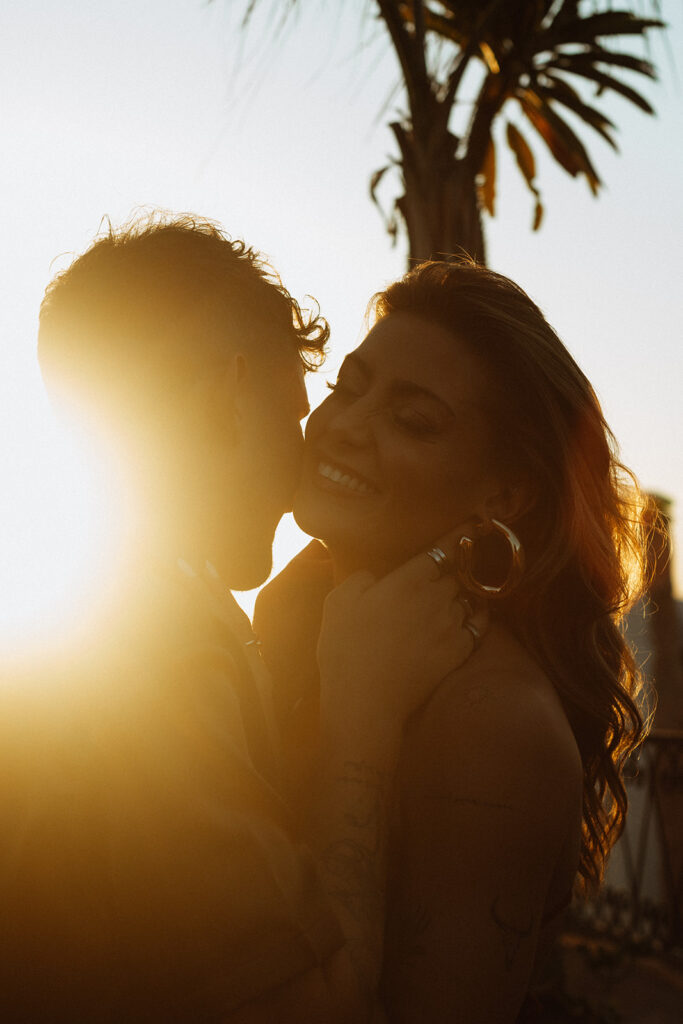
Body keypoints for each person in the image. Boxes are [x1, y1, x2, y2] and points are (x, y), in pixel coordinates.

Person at [0, 217, 484, 1022]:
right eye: (295, 412)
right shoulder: (155, 660)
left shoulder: (112, 617)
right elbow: (320, 1009)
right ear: (230, 393)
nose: (307, 447)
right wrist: (362, 718)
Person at [253, 259, 653, 1022]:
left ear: (502, 494)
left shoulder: (492, 723)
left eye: (413, 421)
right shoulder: (301, 606)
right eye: (348, 385)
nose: (344, 425)